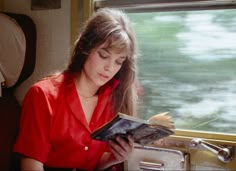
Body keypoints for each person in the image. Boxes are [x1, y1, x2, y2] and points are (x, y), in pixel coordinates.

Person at [13, 7, 138, 171]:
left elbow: (91, 165)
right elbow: (31, 167)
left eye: (119, 61)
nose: (109, 68)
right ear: (85, 48)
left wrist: (113, 158)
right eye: (104, 55)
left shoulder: (113, 101)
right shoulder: (43, 95)